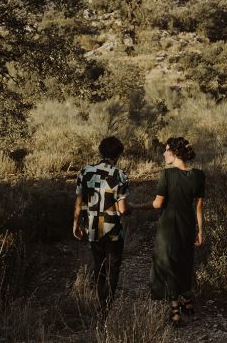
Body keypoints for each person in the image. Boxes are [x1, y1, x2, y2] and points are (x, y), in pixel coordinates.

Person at [133, 137, 205, 326]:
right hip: (188, 226)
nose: (164, 153)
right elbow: (198, 207)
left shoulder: (167, 174)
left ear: (173, 153)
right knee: (184, 263)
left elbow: (157, 204)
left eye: (166, 150)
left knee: (167, 265)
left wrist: (135, 206)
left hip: (169, 227)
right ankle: (187, 301)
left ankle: (175, 313)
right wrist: (200, 231)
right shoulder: (198, 175)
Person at [72, 136, 130, 311]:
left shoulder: (84, 172)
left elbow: (78, 201)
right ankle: (106, 306)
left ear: (101, 151)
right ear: (118, 154)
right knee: (113, 267)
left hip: (92, 228)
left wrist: (75, 224)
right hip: (112, 230)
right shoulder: (120, 175)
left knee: (99, 265)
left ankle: (100, 300)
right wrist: (131, 208)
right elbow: (122, 209)